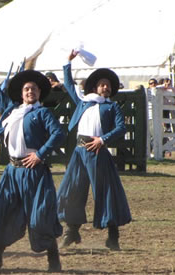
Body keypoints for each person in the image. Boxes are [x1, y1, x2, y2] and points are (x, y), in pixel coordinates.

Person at [0, 62, 65, 272]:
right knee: (2, 214)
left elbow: (59, 134)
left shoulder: (42, 113)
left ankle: (54, 260)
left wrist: (40, 154)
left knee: (40, 217)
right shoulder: (12, 110)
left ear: (40, 93)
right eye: (27, 89)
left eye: (34, 89)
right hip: (12, 173)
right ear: (21, 93)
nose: (30, 91)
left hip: (34, 173)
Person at [56, 50, 131, 251]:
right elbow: (69, 85)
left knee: (105, 192)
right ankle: (71, 231)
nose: (105, 87)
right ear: (95, 87)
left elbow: (120, 128)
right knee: (72, 190)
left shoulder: (112, 107)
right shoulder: (83, 102)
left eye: (108, 85)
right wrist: (67, 62)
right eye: (102, 84)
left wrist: (102, 139)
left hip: (98, 151)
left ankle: (112, 236)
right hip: (79, 152)